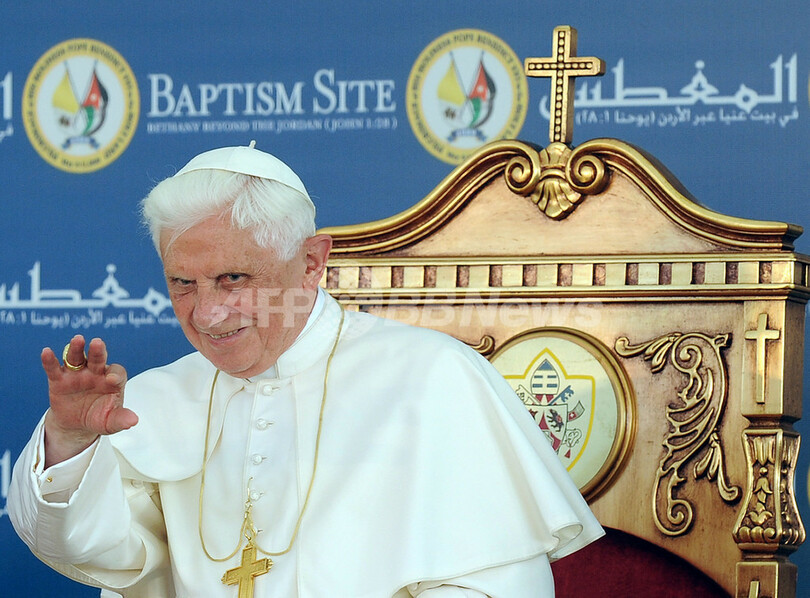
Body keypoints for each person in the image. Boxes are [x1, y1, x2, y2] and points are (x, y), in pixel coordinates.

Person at [8, 142, 603, 597]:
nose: (206, 313)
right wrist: (72, 443)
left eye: (233, 279)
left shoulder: (433, 380)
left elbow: (493, 586)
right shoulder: (158, 398)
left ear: (312, 262)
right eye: (182, 283)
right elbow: (93, 551)